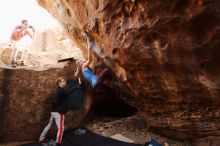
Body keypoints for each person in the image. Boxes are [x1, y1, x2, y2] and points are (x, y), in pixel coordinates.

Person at [38, 77, 81, 146]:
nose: (65, 82)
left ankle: (41, 139)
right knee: (61, 129)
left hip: (53, 111)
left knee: (49, 125)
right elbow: (69, 91)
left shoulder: (58, 90)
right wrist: (78, 85)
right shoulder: (62, 91)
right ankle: (58, 143)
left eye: (64, 81)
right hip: (58, 113)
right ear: (59, 83)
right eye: (63, 81)